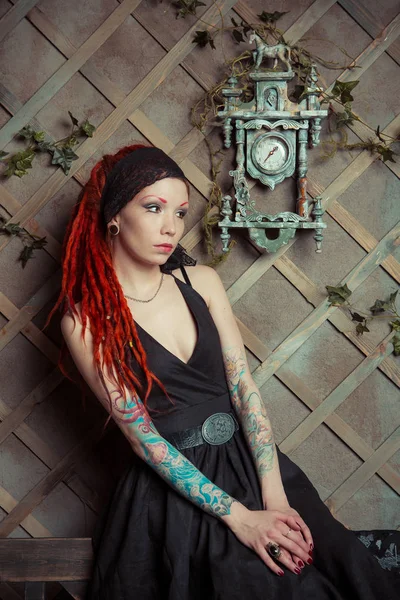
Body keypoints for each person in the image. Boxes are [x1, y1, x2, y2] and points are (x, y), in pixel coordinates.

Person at [49, 144, 399, 599]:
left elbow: (243, 385)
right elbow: (142, 438)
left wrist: (272, 494)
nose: (170, 226)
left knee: (347, 566)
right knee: (262, 585)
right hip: (178, 491)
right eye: (153, 208)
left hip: (254, 465)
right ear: (114, 215)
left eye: (179, 211)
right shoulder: (85, 321)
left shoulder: (202, 282)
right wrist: (240, 517)